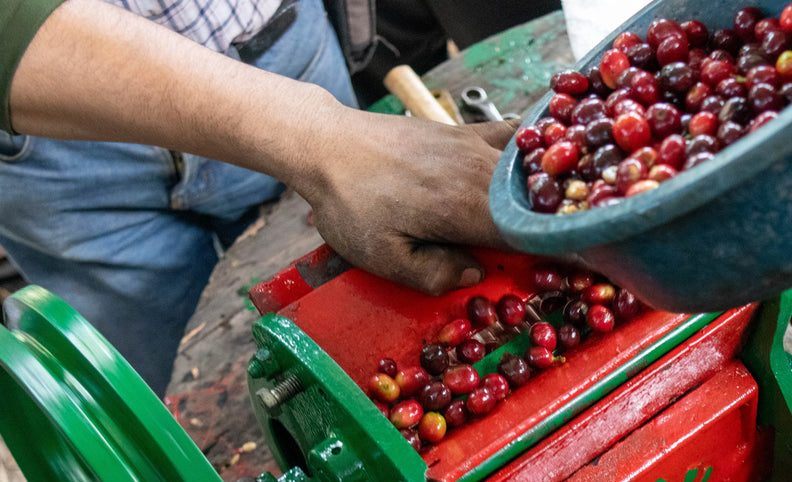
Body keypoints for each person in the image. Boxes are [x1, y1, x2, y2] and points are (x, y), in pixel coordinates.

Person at [0, 0, 517, 395]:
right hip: (56, 143)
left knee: (368, 328)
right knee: (145, 399)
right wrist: (321, 137)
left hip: (279, 44)